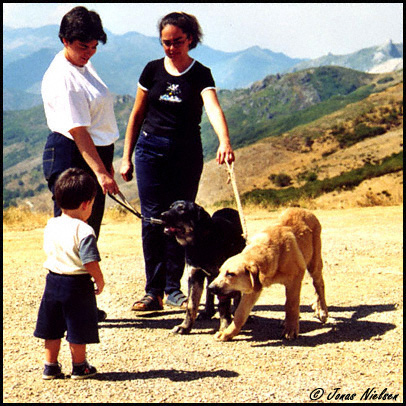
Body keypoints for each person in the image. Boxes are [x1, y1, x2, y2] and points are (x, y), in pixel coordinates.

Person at [120, 12, 235, 311]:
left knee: (180, 221)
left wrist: (224, 141)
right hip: (150, 150)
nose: (171, 48)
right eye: (165, 43)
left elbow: (212, 107)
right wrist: (126, 156)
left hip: (185, 153)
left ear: (191, 40)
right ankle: (152, 292)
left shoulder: (200, 74)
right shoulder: (152, 71)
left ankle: (174, 289)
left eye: (177, 42)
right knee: (152, 220)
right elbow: (136, 114)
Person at [42, 6, 119, 240]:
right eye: (83, 46)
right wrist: (100, 172)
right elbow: (78, 130)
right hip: (73, 153)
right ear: (65, 40)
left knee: (89, 229)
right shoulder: (64, 77)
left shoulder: (82, 64)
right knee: (74, 231)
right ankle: (68, 277)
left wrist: (105, 164)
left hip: (92, 152)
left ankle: (84, 276)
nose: (89, 52)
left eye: (94, 46)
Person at [34, 168, 104, 380]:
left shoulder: (51, 224)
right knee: (78, 325)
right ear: (86, 204)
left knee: (52, 326)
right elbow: (89, 260)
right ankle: (79, 366)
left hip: (53, 281)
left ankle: (50, 366)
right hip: (77, 284)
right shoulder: (84, 230)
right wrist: (99, 280)